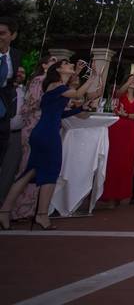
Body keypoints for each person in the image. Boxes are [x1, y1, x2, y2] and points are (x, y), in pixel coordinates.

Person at [0, 59, 103, 230]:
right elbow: (77, 94)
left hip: (44, 131)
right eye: (67, 64)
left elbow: (60, 113)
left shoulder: (57, 88)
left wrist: (80, 108)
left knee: (30, 172)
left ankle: (6, 211)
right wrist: (92, 77)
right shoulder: (56, 85)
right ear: (60, 69)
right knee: (49, 171)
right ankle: (40, 215)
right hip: (47, 133)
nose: (71, 66)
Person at [10, 55, 55, 219]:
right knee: (27, 167)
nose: (56, 63)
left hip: (45, 127)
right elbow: (31, 105)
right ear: (44, 66)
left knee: (38, 169)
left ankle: (29, 209)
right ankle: (14, 209)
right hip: (33, 127)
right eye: (52, 61)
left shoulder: (52, 83)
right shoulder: (39, 81)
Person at [100, 74, 134, 207]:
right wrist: (129, 81)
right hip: (117, 129)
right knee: (113, 161)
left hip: (130, 130)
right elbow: (117, 94)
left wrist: (128, 115)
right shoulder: (120, 94)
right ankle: (110, 196)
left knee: (126, 163)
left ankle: (120, 194)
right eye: (131, 80)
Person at [0, 65, 27, 202]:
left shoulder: (25, 92)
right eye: (18, 71)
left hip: (16, 134)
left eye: (23, 72)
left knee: (9, 170)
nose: (20, 74)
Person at [0, 18, 24, 169]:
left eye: (2, 33)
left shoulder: (17, 55)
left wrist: (18, 80)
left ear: (13, 35)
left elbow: (13, 81)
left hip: (4, 112)